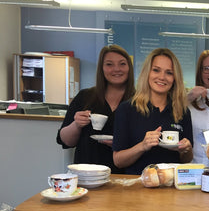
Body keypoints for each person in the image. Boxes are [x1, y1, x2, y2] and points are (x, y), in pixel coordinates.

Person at [112, 48, 193, 175]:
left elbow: (186, 160)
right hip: (136, 188)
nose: (162, 77)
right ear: (147, 73)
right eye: (156, 70)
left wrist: (186, 150)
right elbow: (118, 160)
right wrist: (142, 146)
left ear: (175, 78)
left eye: (169, 73)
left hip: (170, 187)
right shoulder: (126, 109)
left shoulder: (182, 112)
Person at [56, 45, 135, 174]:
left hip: (124, 176)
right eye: (109, 64)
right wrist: (77, 124)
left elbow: (144, 144)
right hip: (86, 173)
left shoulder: (139, 102)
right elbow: (65, 141)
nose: (116, 69)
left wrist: (122, 144)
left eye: (122, 64)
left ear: (129, 68)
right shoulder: (85, 97)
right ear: (102, 68)